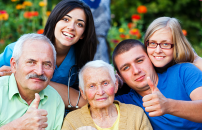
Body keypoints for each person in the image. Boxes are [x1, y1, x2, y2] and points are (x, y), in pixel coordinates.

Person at [0, 0, 97, 108]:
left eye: (80, 24)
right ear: (54, 21)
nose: (71, 27)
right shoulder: (18, 50)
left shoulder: (81, 58)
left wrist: (27, 78)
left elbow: (84, 100)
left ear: (83, 34)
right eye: (65, 19)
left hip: (56, 114)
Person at [113, 39, 202, 130]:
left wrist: (168, 106)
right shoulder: (123, 102)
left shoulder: (183, 72)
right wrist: (110, 79)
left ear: (151, 59)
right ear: (120, 76)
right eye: (126, 68)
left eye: (139, 61)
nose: (136, 71)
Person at [61, 60, 152, 130]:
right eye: (92, 86)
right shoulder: (72, 121)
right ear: (83, 93)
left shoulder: (136, 115)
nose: (100, 92)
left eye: (105, 83)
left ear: (116, 85)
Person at [0, 33, 64, 129]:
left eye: (47, 64)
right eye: (31, 62)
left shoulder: (56, 101)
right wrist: (18, 126)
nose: (39, 72)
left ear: (53, 70)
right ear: (14, 65)